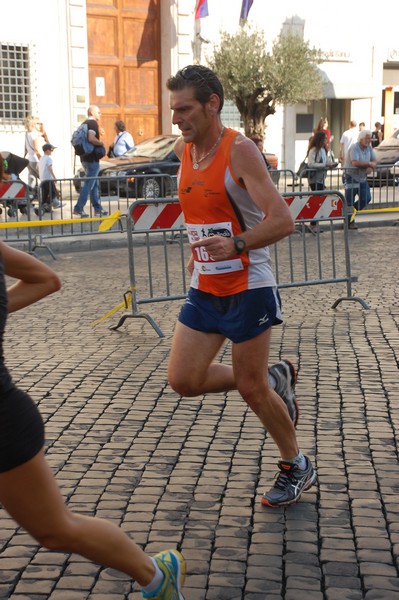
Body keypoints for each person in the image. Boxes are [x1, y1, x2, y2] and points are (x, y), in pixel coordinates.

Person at [166, 64, 316, 508]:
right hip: (205, 286)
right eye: (174, 110)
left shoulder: (240, 152)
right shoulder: (183, 150)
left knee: (252, 391)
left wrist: (236, 242)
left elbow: (283, 219)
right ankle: (276, 378)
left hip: (249, 284)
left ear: (213, 104)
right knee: (184, 379)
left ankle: (296, 464)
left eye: (185, 109)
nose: (177, 119)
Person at [0, 241, 185, 600]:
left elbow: (45, 280)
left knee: (54, 530)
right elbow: (45, 279)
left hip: (3, 421)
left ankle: (157, 575)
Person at [73, 105, 108, 218]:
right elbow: (91, 138)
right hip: (92, 159)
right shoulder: (92, 124)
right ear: (92, 113)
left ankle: (98, 209)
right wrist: (101, 143)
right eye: (98, 112)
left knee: (94, 184)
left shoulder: (84, 123)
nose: (100, 114)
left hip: (84, 158)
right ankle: (78, 208)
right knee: (89, 184)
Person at [344, 129, 377, 230]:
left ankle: (350, 212)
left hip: (362, 178)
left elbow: (374, 160)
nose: (369, 140)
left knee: (366, 198)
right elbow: (355, 162)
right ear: (361, 139)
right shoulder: (355, 147)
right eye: (367, 139)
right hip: (351, 177)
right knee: (349, 200)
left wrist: (371, 167)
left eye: (369, 138)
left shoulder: (369, 148)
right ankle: (350, 221)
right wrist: (368, 164)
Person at [306, 131, 337, 234]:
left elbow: (325, 161)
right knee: (316, 201)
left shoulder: (323, 150)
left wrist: (330, 164)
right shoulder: (313, 150)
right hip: (314, 179)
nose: (326, 140)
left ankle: (314, 224)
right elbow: (311, 164)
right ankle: (313, 224)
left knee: (319, 201)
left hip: (321, 178)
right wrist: (324, 165)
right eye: (324, 139)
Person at [38, 144, 65, 212]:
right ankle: (48, 204)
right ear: (47, 150)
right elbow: (50, 168)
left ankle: (43, 206)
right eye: (51, 150)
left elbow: (37, 167)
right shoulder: (48, 158)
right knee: (53, 193)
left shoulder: (41, 158)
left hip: (42, 179)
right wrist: (54, 177)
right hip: (48, 179)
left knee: (45, 194)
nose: (52, 151)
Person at [24, 116, 45, 188]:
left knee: (31, 180)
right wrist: (42, 160)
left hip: (29, 160)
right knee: (45, 178)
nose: (39, 125)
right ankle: (52, 195)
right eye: (38, 123)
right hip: (36, 160)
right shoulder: (34, 135)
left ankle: (29, 196)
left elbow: (42, 133)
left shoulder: (27, 133)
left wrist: (42, 126)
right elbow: (36, 150)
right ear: (33, 125)